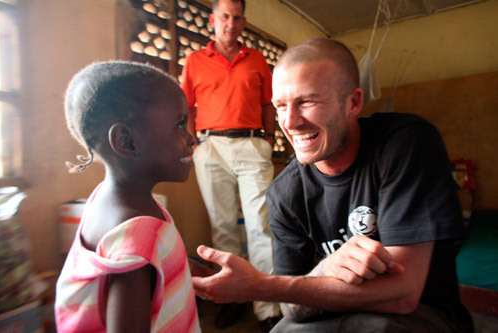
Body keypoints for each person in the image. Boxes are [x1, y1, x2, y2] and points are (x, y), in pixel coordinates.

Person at [191, 38, 474, 332]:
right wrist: (325, 268)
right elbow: (292, 310)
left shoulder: (404, 144)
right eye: (281, 106)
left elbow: (403, 295)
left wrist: (263, 286)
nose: (290, 122)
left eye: (307, 101)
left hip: (422, 314)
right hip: (334, 310)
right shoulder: (284, 192)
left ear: (353, 102)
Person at [54, 61, 201, 332]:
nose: (191, 138)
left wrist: (185, 267)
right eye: (180, 125)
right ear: (126, 141)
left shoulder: (108, 199)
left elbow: (156, 257)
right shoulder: (133, 247)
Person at [180, 0, 280, 330]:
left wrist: (267, 138)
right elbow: (187, 106)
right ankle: (234, 300)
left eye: (237, 17)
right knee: (222, 227)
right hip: (211, 148)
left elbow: (268, 103)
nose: (230, 23)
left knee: (260, 226)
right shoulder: (195, 61)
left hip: (251, 144)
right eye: (225, 16)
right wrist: (194, 142)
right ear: (213, 19)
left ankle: (268, 308)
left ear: (243, 21)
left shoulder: (257, 59)